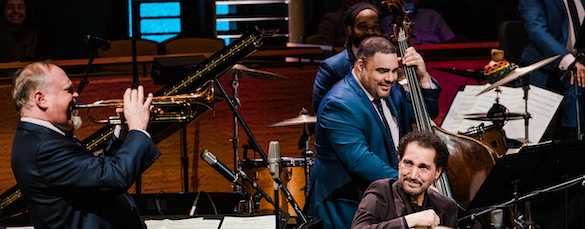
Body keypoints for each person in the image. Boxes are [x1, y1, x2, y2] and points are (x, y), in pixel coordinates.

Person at [307, 36, 441, 229]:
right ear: (361, 65)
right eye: (383, 71)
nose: (391, 78)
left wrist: (423, 77)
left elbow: (425, 113)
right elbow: (360, 160)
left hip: (381, 199)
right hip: (346, 207)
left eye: (395, 71)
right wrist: (412, 180)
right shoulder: (338, 104)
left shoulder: (390, 90)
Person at [11, 62, 160, 229]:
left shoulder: (43, 137)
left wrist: (125, 133)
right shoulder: (43, 147)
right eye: (68, 90)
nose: (76, 95)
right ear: (41, 99)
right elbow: (114, 177)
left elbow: (96, 176)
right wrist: (138, 129)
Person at [351, 131, 457, 229]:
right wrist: (409, 220)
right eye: (408, 163)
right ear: (399, 161)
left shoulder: (446, 206)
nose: (413, 175)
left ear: (437, 172)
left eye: (423, 167)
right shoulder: (381, 191)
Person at [519, 0, 585, 137]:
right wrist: (569, 61)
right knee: (574, 82)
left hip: (580, 61)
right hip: (546, 67)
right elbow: (536, 29)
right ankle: (572, 143)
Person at [312, 2, 382, 111]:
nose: (370, 31)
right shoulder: (332, 67)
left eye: (375, 27)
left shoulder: (388, 62)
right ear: (349, 30)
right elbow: (322, 111)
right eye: (363, 26)